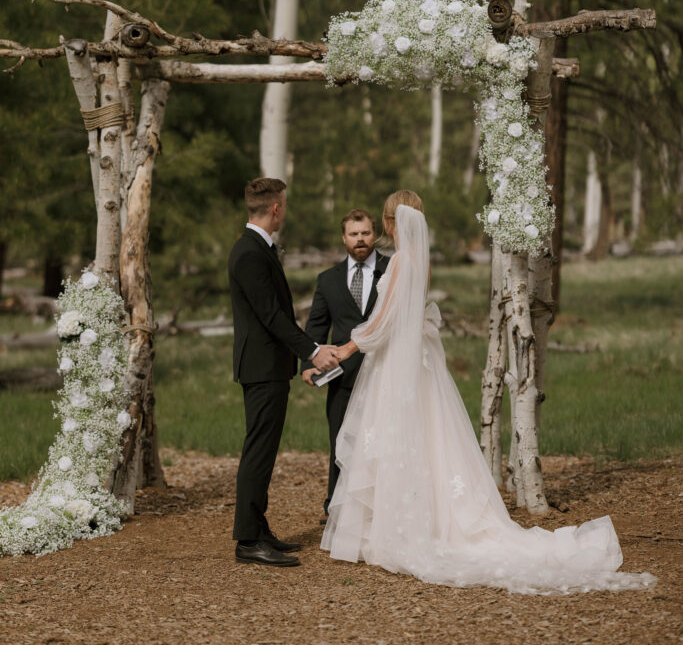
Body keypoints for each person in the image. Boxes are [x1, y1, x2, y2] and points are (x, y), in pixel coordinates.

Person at [321, 190, 655, 594]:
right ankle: (414, 521)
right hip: (416, 366)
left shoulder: (401, 263)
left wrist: (346, 347)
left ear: (391, 222)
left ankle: (400, 529)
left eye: (384, 219)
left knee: (400, 440)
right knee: (427, 442)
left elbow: (382, 323)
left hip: (397, 367)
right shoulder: (419, 262)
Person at [229, 177, 339, 568]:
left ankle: (258, 528)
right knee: (259, 450)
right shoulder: (249, 253)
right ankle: (246, 540)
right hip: (261, 367)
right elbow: (271, 316)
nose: (284, 211)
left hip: (269, 366)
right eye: (284, 205)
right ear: (276, 209)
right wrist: (311, 351)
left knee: (265, 448)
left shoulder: (258, 248)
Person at [301, 208, 390, 516]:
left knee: (385, 443)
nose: (360, 239)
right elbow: (316, 326)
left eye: (365, 233)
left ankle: (382, 509)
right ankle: (337, 508)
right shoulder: (327, 280)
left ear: (374, 233)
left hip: (385, 371)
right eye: (354, 234)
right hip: (343, 377)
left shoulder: (393, 270)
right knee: (342, 442)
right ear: (344, 238)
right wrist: (308, 363)